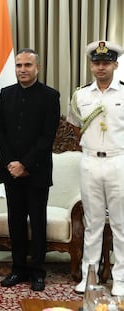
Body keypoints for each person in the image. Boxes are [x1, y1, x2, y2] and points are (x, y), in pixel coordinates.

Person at [0, 48, 60, 291]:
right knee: (16, 223)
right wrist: (11, 163)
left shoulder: (50, 96)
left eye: (27, 65)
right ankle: (18, 269)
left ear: (38, 68)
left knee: (38, 222)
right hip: (11, 171)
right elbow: (0, 131)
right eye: (19, 65)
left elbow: (47, 137)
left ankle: (38, 272)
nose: (22, 70)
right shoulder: (6, 93)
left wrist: (25, 164)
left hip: (37, 172)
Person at [68, 40, 124, 295]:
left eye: (106, 62)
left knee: (121, 224)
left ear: (115, 64)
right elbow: (77, 127)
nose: (101, 67)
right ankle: (89, 276)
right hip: (90, 161)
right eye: (96, 63)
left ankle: (120, 279)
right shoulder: (81, 95)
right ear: (91, 65)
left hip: (118, 161)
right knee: (93, 223)